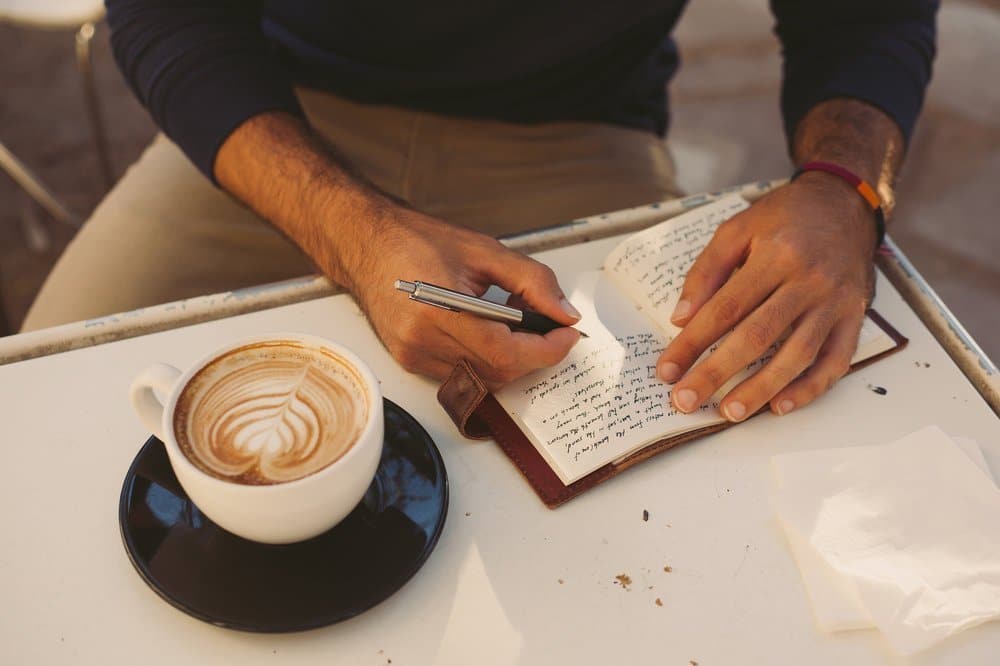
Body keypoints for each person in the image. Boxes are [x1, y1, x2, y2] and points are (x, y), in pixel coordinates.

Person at [24, 1, 938, 422]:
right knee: (41, 397)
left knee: (699, 437)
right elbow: (169, 16)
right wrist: (356, 233)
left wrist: (843, 188)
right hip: (284, 116)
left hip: (577, 126)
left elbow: (865, 18)